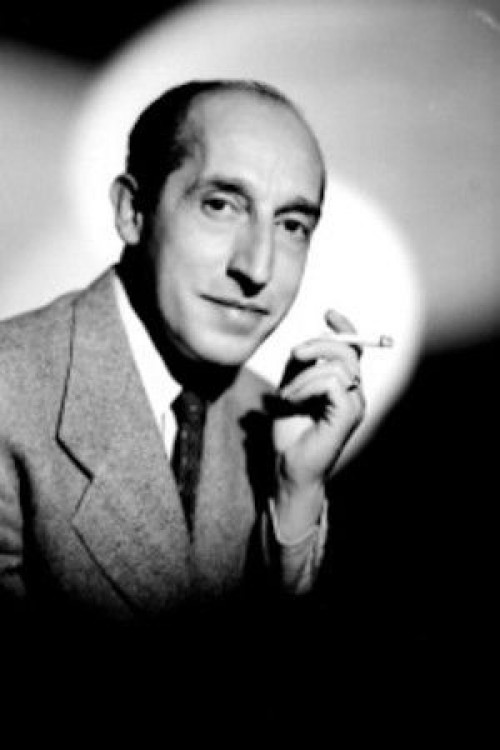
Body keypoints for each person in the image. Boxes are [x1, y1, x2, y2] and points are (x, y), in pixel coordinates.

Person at [0, 79, 364, 649]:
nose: (258, 268)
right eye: (220, 205)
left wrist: (296, 492)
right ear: (132, 212)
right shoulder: (9, 393)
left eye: (292, 225)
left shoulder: (270, 417)